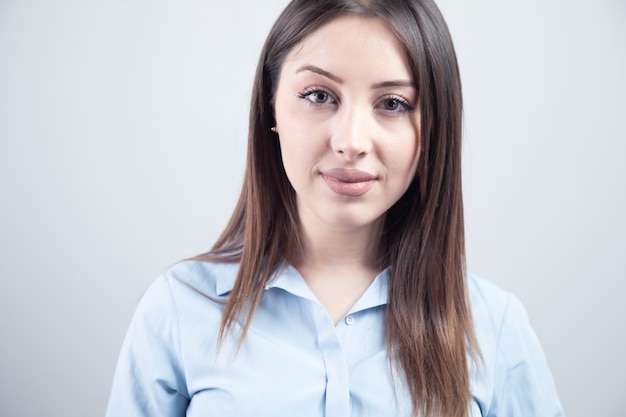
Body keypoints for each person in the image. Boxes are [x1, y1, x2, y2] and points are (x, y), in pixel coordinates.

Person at [105, 0, 564, 416]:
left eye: (392, 103)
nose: (350, 142)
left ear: (435, 127)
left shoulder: (494, 326)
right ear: (272, 105)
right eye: (319, 96)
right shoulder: (179, 308)